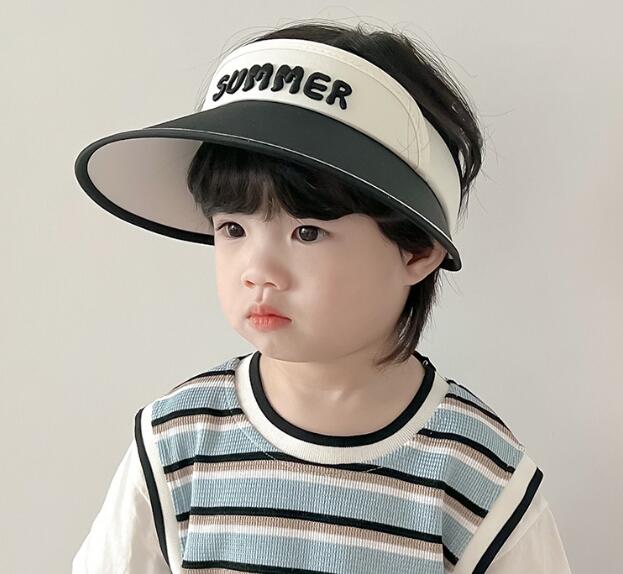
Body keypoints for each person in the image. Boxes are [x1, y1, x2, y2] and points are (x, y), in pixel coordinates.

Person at [72, 20, 572, 573]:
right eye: (233, 228)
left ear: (416, 249)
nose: (258, 272)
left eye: (307, 232)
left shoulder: (478, 476)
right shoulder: (176, 443)